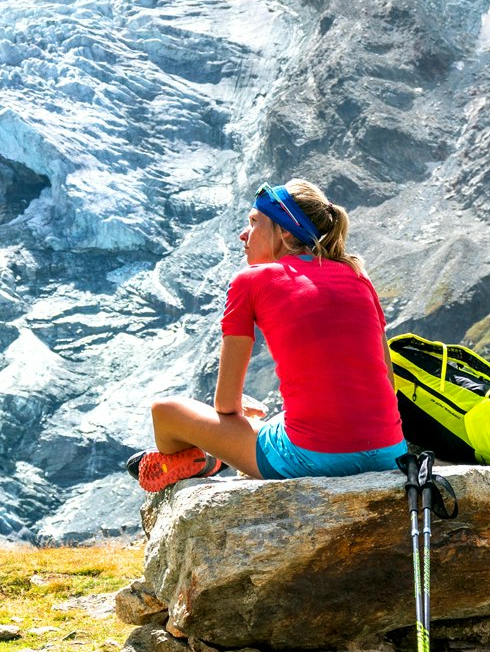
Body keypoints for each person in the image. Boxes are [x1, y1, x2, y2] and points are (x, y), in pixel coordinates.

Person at [128, 179, 405, 491]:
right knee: (279, 423)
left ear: (285, 232)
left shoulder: (250, 281)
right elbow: (388, 384)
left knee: (165, 412)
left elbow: (225, 406)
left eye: (254, 222)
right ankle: (208, 458)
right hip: (390, 452)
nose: (243, 234)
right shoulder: (357, 276)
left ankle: (204, 461)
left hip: (314, 458)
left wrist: (237, 415)